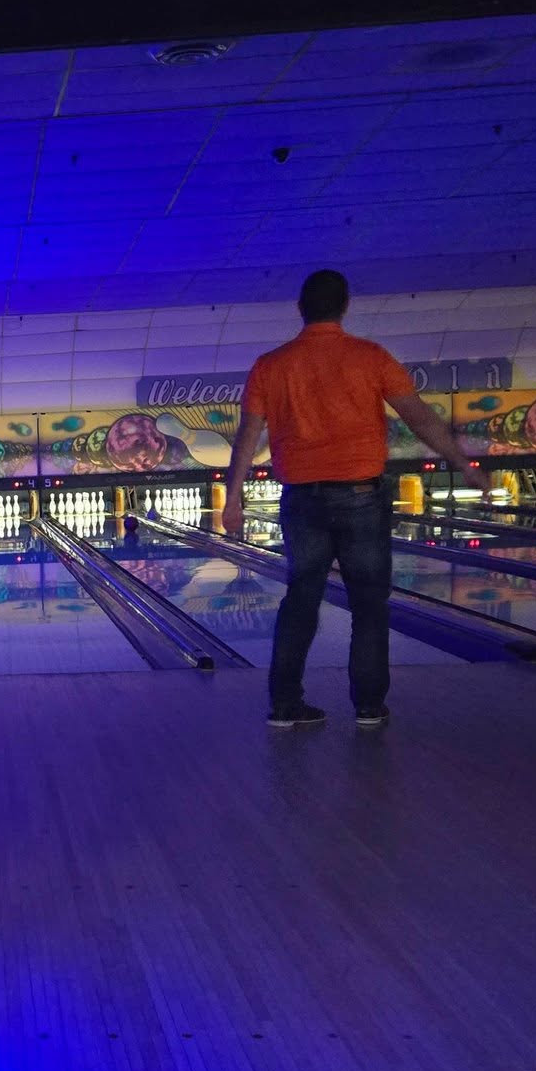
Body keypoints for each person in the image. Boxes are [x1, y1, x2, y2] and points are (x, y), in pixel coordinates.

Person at [222, 268, 486, 731]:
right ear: (345, 306)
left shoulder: (271, 364)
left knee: (300, 598)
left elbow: (247, 434)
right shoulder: (371, 356)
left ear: (299, 308)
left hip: (301, 497)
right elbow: (421, 419)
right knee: (368, 604)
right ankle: (368, 706)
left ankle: (285, 705)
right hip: (362, 496)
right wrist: (463, 463)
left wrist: (234, 498)